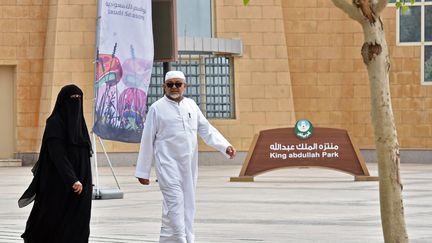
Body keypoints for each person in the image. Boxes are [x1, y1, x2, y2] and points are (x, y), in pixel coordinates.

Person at [135, 70, 236, 243]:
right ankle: (181, 239)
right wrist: (143, 172)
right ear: (164, 87)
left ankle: (178, 238)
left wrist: (224, 146)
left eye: (178, 84)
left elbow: (206, 129)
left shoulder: (191, 105)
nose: (174, 87)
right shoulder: (156, 108)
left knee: (187, 205)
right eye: (170, 84)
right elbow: (147, 139)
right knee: (175, 201)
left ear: (185, 86)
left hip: (188, 167)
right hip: (167, 165)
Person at [18, 84, 93, 243]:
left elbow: (85, 154)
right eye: (72, 99)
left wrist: (84, 181)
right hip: (58, 184)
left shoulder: (80, 126)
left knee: (78, 222)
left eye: (79, 99)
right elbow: (58, 156)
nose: (76, 103)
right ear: (63, 101)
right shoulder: (55, 123)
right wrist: (72, 179)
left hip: (81, 185)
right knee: (53, 221)